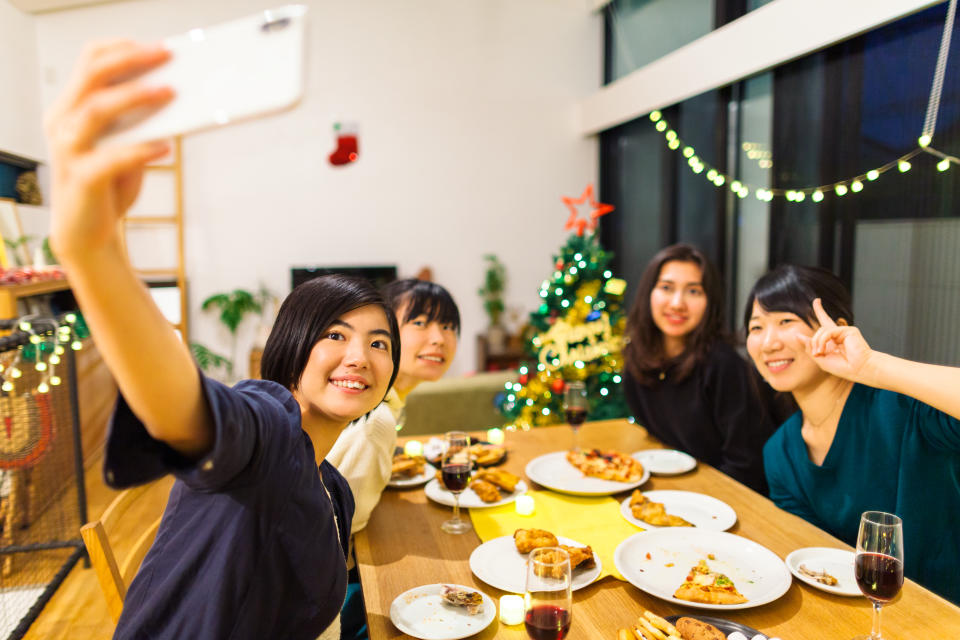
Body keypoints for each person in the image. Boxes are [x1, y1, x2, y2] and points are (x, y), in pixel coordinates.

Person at [46, 41, 401, 639]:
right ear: (291, 346)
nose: (359, 357)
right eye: (335, 334)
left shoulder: (331, 488)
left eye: (378, 343)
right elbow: (188, 409)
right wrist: (93, 250)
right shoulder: (270, 428)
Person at [745, 265, 960, 604]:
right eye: (756, 327)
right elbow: (813, 563)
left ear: (837, 330)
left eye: (786, 321)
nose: (769, 342)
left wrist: (871, 366)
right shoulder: (780, 453)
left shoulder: (903, 407)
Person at [326, 279, 459, 640]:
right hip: (336, 596)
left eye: (447, 326)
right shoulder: (376, 418)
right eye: (420, 323)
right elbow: (339, 525)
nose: (439, 338)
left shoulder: (382, 401)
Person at [621, 244, 780, 493]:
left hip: (726, 500)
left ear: (710, 302)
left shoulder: (724, 366)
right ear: (648, 293)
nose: (677, 303)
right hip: (675, 488)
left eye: (693, 291)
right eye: (666, 287)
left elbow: (747, 466)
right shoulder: (638, 358)